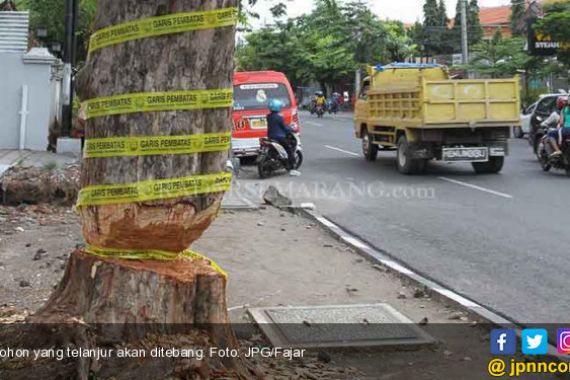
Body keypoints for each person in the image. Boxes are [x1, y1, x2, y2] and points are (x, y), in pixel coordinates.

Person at [267, 99, 301, 176]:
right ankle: (292, 169)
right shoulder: (279, 117)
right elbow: (284, 127)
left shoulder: (268, 116)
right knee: (289, 150)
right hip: (279, 137)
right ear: (278, 107)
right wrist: (291, 129)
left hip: (270, 137)